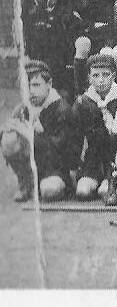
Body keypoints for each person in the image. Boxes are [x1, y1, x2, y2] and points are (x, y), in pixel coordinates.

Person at [2, 60, 78, 202]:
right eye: (26, 86)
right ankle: (25, 182)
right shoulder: (21, 110)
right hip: (34, 167)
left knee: (50, 190)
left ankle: (60, 186)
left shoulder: (62, 110)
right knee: (8, 138)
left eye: (36, 85)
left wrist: (33, 136)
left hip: (56, 169)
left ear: (49, 85)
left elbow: (67, 156)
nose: (31, 91)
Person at [72, 53, 117, 204]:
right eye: (96, 75)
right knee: (83, 191)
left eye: (106, 75)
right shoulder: (83, 102)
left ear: (114, 76)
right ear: (89, 78)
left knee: (105, 190)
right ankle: (93, 179)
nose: (101, 80)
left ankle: (110, 181)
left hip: (114, 157)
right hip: (93, 158)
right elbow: (76, 136)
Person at [69, 0, 117, 91]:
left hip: (106, 38)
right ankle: (80, 91)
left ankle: (108, 93)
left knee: (107, 53)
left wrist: (84, 21)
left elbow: (112, 21)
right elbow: (70, 17)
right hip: (83, 35)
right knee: (82, 43)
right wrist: (91, 25)